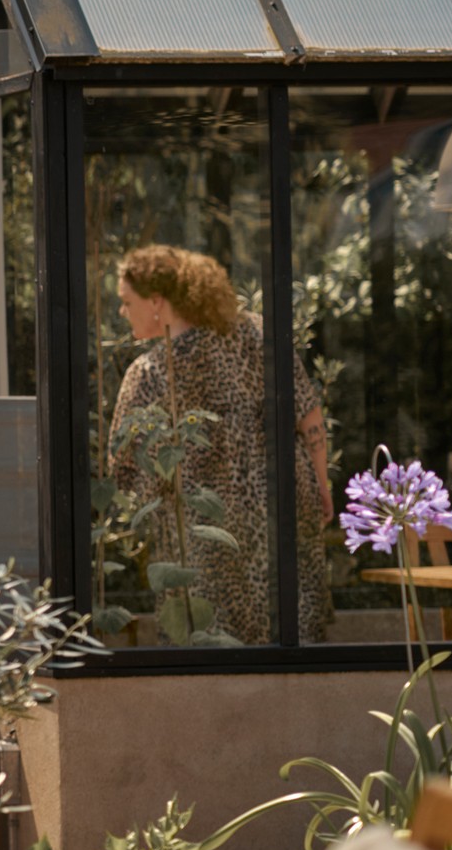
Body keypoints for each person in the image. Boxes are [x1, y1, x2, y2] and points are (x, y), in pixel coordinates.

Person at [108, 244, 332, 645]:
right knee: (289, 646)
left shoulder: (149, 373)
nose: (123, 312)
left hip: (204, 539)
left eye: (127, 302)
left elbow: (121, 468)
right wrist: (321, 486)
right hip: (279, 513)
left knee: (211, 652)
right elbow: (309, 415)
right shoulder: (258, 334)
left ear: (157, 301)